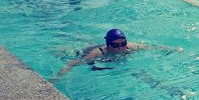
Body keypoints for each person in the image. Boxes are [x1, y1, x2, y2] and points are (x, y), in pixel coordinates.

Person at [52, 29, 180, 81]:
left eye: (123, 44)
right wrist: (56, 78)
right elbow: (72, 63)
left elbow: (153, 47)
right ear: (108, 45)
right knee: (63, 53)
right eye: (115, 45)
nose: (120, 48)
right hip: (86, 51)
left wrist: (173, 49)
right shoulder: (97, 53)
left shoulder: (131, 47)